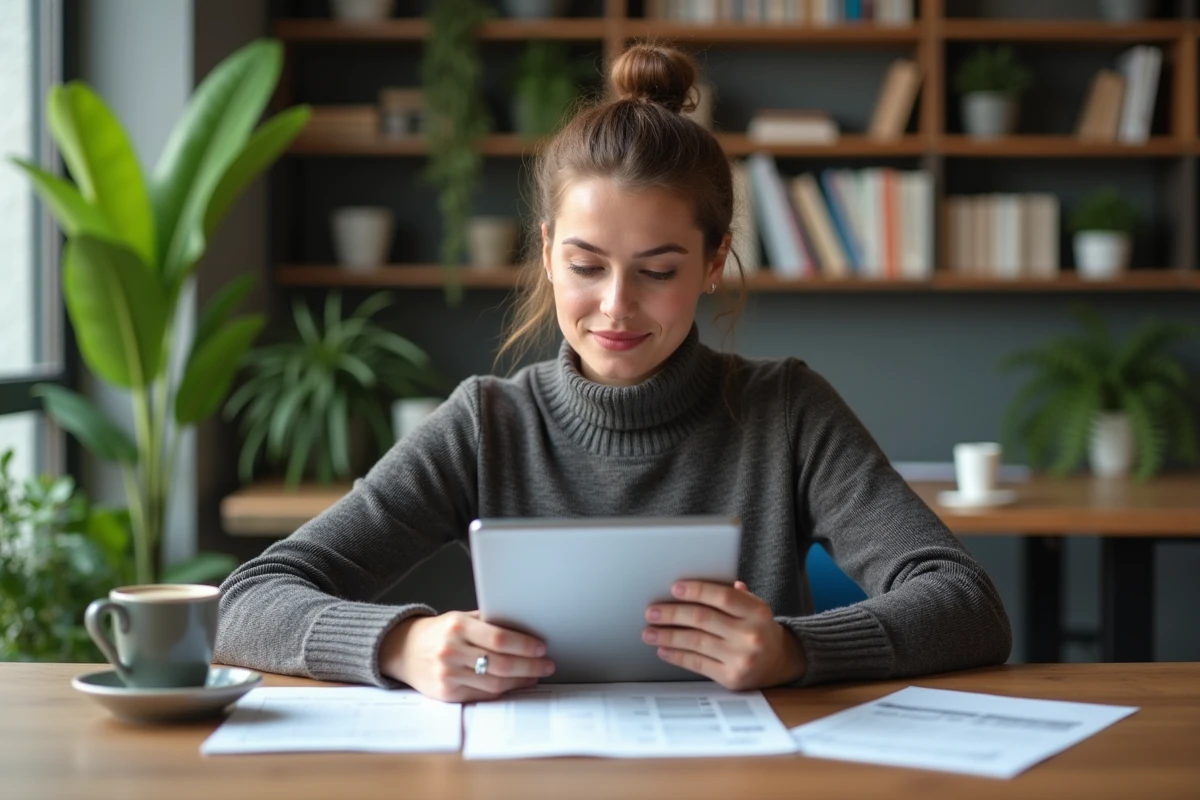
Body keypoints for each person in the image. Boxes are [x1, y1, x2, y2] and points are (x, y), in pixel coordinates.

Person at [215, 43, 1012, 703]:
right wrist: (400, 643)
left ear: (713, 262)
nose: (616, 307)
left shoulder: (787, 409)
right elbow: (247, 602)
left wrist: (796, 650)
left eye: (658, 271)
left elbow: (967, 603)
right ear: (547, 252)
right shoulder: (487, 422)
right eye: (586, 265)